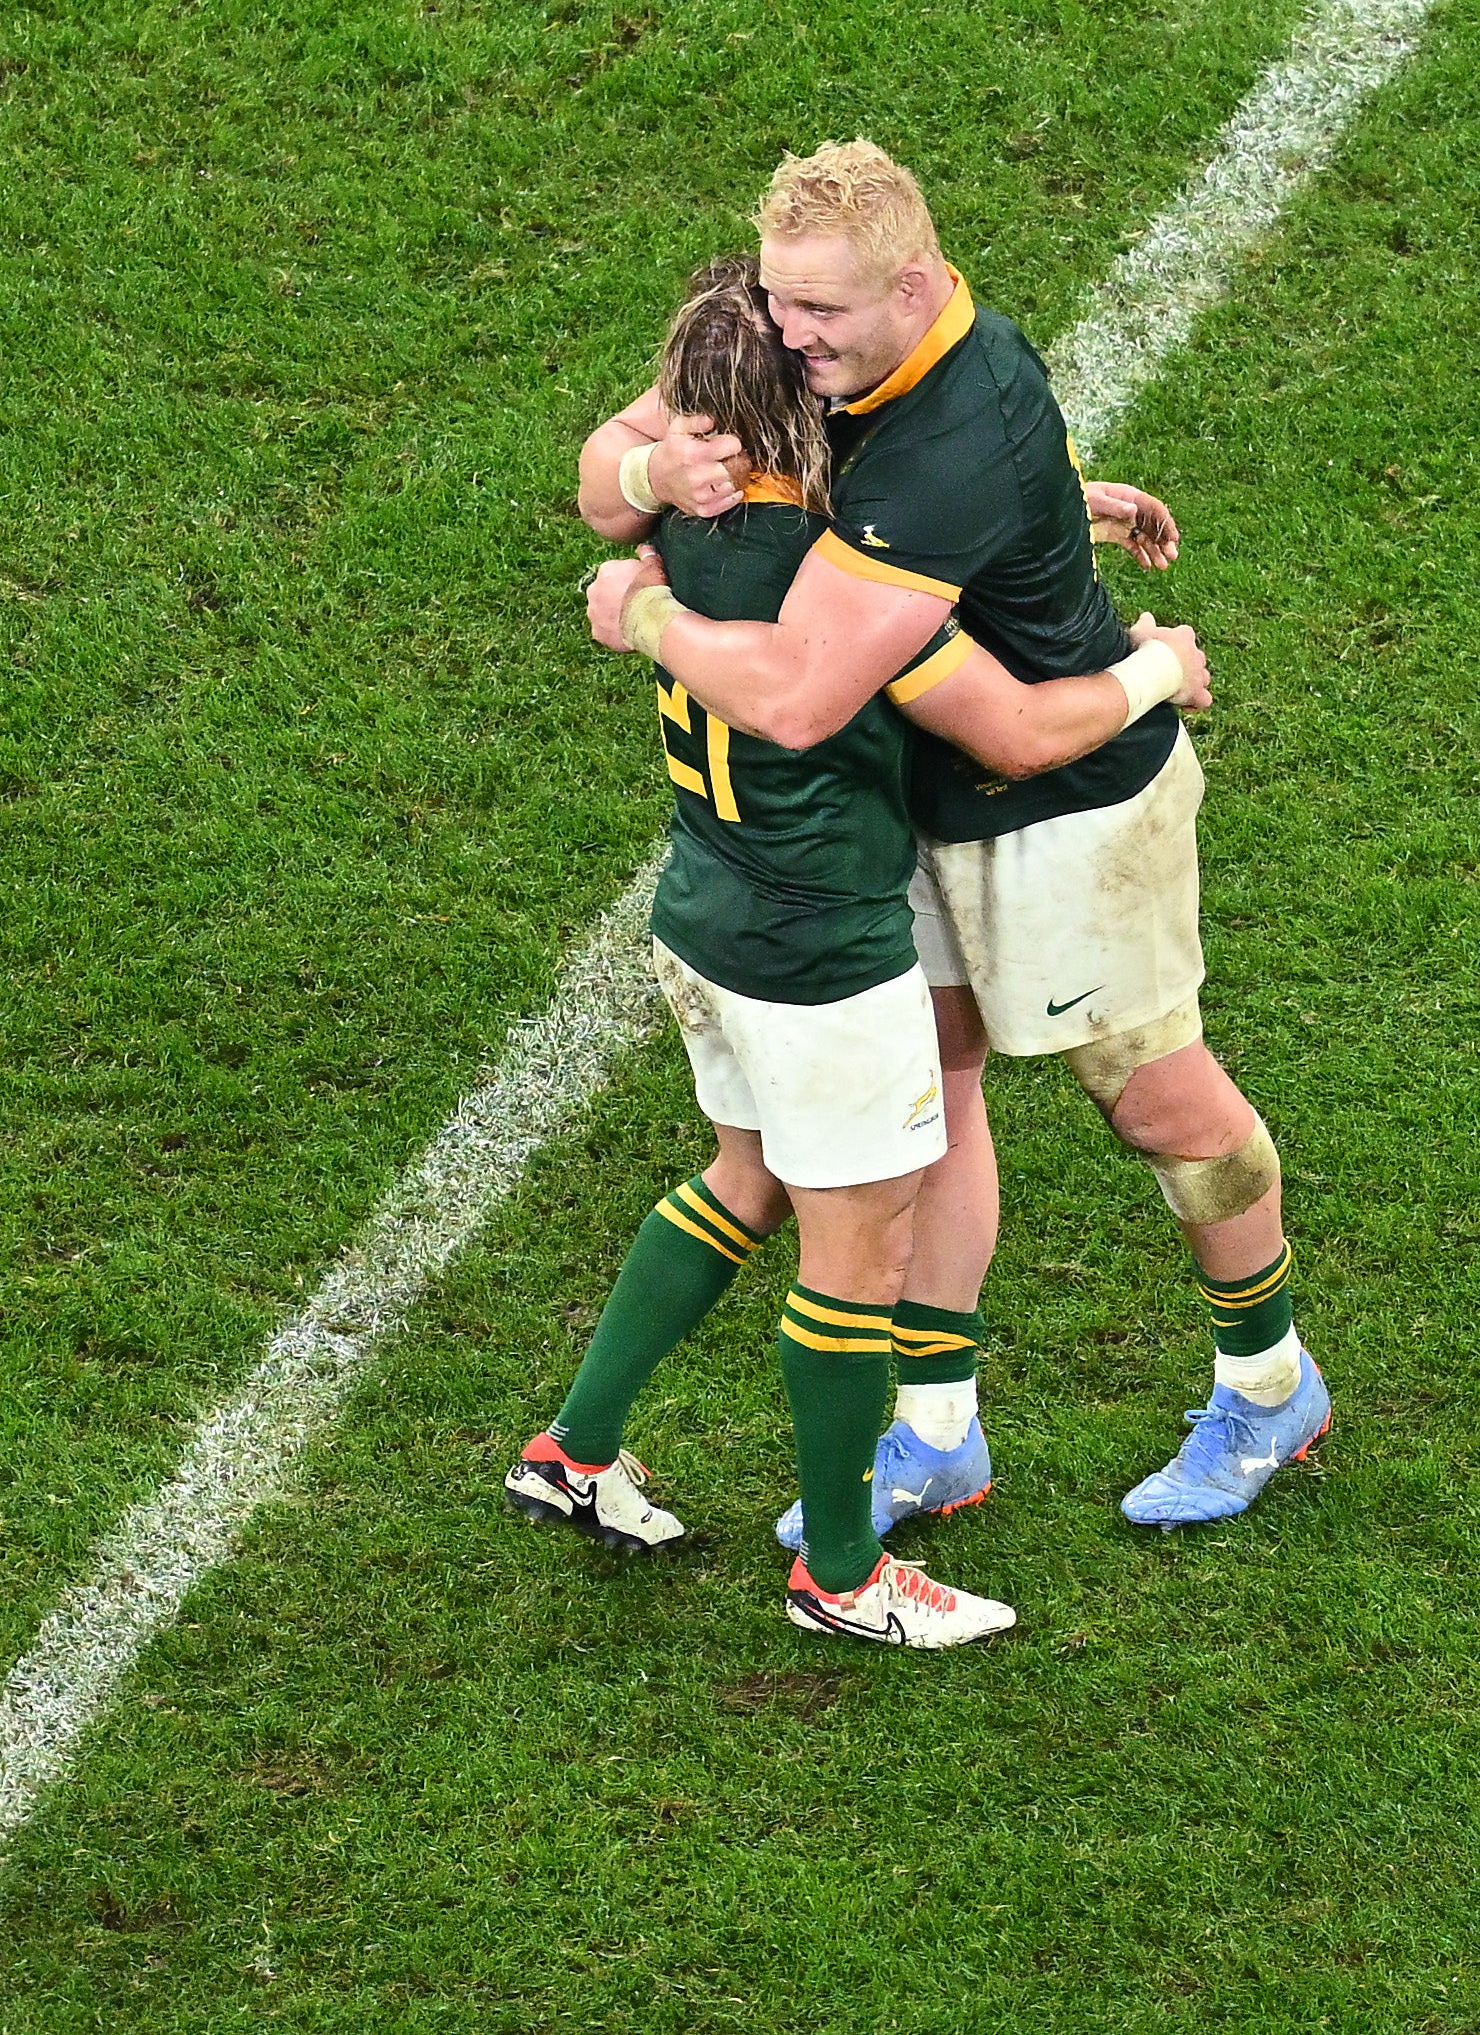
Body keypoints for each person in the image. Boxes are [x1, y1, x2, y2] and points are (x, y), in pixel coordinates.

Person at [575, 140, 1324, 1538]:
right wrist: (657, 463)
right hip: (916, 798)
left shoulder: (946, 442)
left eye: (821, 318)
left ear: (912, 285)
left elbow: (835, 701)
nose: (788, 342)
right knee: (934, 1100)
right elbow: (601, 469)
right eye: (777, 304)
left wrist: (645, 608)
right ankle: (934, 1430)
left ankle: (1268, 1380)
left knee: (1156, 1100)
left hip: (1064, 799)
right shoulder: (817, 336)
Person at [518, 258, 1214, 1648]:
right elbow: (1013, 730)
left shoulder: (681, 539)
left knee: (743, 1178)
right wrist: (1153, 671)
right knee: (853, 1249)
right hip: (823, 961)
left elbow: (645, 485)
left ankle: (574, 1452)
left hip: (702, 916)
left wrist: (1056, 505)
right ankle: (842, 1577)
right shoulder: (834, 591)